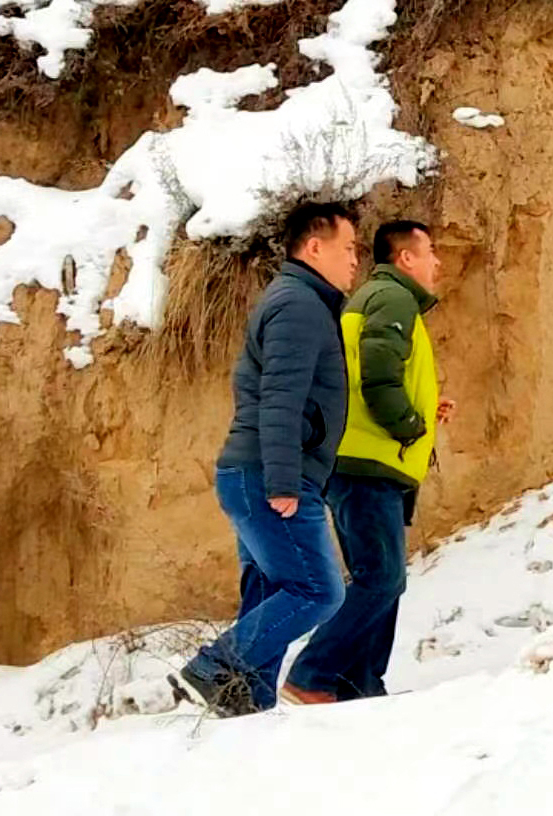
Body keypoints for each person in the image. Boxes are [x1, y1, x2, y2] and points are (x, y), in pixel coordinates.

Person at [171, 202, 358, 716]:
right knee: (318, 591)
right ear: (314, 247)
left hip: (255, 472)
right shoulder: (299, 306)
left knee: (270, 587)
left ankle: (246, 703)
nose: (354, 260)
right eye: (348, 248)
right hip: (270, 475)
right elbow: (280, 398)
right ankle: (215, 667)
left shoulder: (298, 301)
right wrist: (283, 481)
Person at [282, 220, 453, 704]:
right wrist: (409, 424)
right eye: (430, 250)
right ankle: (312, 676)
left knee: (382, 579)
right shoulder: (393, 299)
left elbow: (370, 373)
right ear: (406, 258)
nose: (437, 261)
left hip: (361, 461)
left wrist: (424, 409)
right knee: (382, 577)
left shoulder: (379, 299)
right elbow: (378, 376)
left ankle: (360, 686)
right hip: (365, 462)